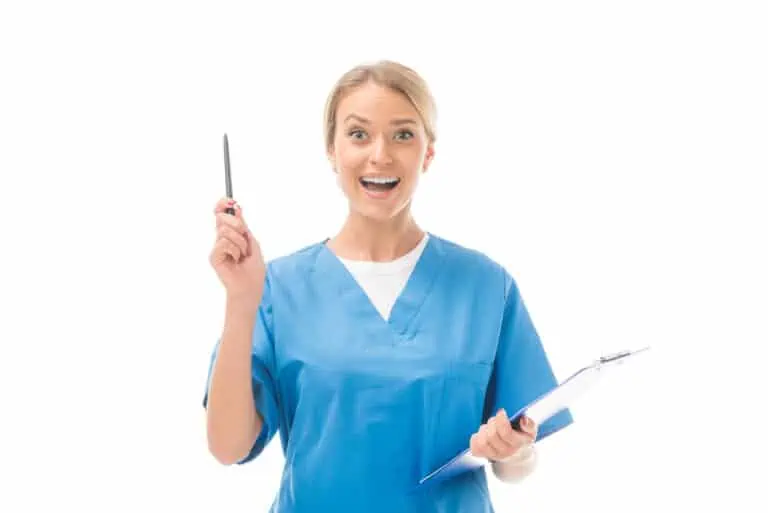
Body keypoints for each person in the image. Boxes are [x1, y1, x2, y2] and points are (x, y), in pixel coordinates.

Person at [203, 60, 573, 512]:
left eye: (403, 134)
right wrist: (241, 300)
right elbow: (229, 447)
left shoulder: (486, 287)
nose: (380, 154)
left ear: (428, 153)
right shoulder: (276, 288)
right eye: (359, 134)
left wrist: (515, 450)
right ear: (332, 151)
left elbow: (516, 461)